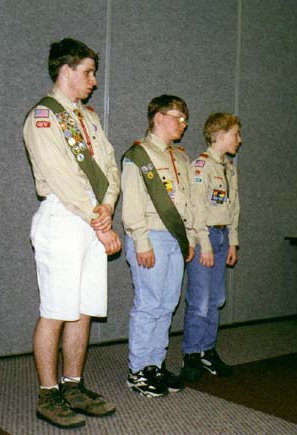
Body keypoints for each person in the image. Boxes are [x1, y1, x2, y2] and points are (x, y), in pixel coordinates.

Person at [23, 38, 121, 429]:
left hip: (94, 218)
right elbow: (62, 179)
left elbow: (110, 166)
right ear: (66, 71)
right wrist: (100, 220)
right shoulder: (43, 117)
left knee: (83, 310)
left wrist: (108, 206)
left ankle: (74, 385)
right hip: (64, 218)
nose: (94, 81)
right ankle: (48, 394)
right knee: (56, 310)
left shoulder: (89, 118)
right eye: (88, 72)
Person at [121, 95, 196, 397]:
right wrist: (141, 242)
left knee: (167, 306)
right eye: (179, 117)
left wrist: (189, 237)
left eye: (185, 119)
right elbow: (132, 205)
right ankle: (138, 370)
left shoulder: (181, 157)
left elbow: (187, 203)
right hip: (150, 236)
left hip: (175, 240)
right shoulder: (138, 156)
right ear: (159, 117)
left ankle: (155, 364)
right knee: (149, 305)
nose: (183, 123)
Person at [180, 113, 241, 382]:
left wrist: (233, 241)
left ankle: (207, 350)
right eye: (236, 134)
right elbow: (196, 209)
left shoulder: (229, 168)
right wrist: (204, 244)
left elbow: (234, 208)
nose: (239, 139)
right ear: (220, 135)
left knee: (216, 299)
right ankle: (191, 354)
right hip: (203, 238)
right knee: (200, 301)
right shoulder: (201, 166)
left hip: (222, 237)